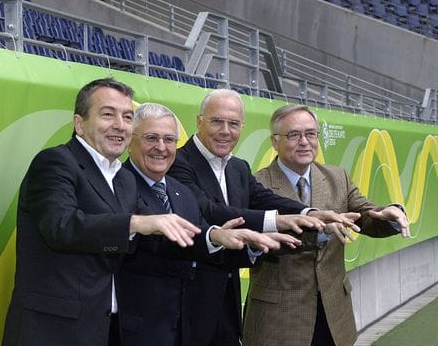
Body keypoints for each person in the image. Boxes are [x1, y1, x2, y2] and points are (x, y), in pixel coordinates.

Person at [2, 78, 203, 346]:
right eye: (108, 114)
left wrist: (215, 237)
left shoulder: (123, 178)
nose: (120, 125)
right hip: (53, 331)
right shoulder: (55, 162)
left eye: (127, 116)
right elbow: (61, 227)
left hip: (105, 329)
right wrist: (134, 224)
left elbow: (157, 233)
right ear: (79, 123)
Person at [167, 89, 352, 345]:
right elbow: (210, 210)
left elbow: (265, 199)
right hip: (189, 307)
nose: (225, 131)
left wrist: (308, 213)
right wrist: (278, 221)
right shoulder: (178, 162)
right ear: (199, 121)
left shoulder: (237, 167)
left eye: (233, 124)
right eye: (217, 121)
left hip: (228, 306)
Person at [118, 103, 299, 346]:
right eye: (151, 138)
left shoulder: (180, 191)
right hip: (140, 331)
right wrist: (215, 236)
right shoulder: (118, 185)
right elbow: (163, 241)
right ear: (129, 141)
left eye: (169, 139)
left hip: (190, 327)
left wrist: (253, 244)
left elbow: (203, 245)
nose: (161, 147)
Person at [242, 104, 409, 346]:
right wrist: (319, 230)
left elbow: (365, 215)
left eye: (311, 134)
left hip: (333, 315)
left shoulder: (336, 177)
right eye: (294, 135)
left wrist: (390, 214)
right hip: (278, 320)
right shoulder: (257, 184)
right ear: (274, 141)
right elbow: (260, 242)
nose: (304, 142)